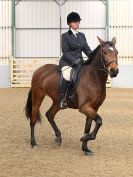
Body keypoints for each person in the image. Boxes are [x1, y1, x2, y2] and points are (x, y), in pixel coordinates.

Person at [59, 12, 92, 109]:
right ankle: (62, 100)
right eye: (75, 22)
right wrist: (74, 61)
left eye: (78, 21)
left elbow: (87, 49)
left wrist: (93, 57)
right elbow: (65, 52)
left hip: (80, 62)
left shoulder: (82, 35)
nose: (77, 23)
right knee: (67, 75)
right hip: (67, 62)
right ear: (69, 23)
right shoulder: (65, 36)